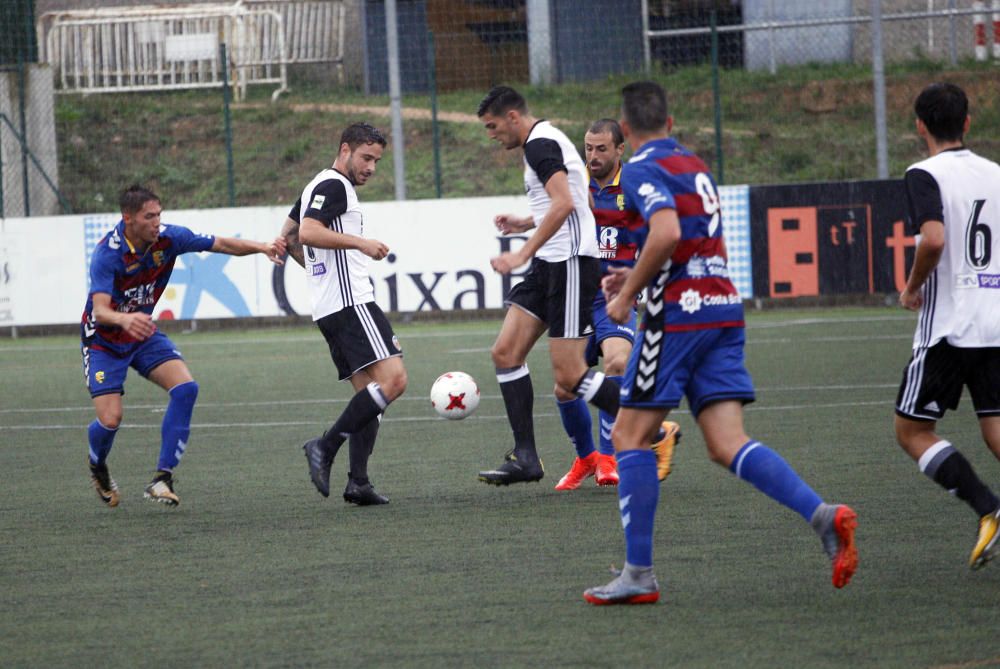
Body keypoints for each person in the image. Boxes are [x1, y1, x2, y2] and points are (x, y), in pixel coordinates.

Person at [583, 81, 858, 605]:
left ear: (626, 130)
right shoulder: (695, 165)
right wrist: (634, 274)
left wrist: (629, 295)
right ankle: (821, 515)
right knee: (726, 442)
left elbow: (664, 232)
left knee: (629, 436)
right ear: (669, 122)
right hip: (722, 307)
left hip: (678, 317)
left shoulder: (639, 167)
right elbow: (692, 240)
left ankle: (638, 574)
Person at [82, 184, 286, 507]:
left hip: (142, 334)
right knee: (110, 420)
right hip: (104, 342)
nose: (156, 222)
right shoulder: (108, 253)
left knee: (186, 389)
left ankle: (162, 478)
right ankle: (97, 464)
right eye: (149, 216)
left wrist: (261, 247)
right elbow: (100, 310)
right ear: (128, 218)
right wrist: (125, 319)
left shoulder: (169, 239)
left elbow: (220, 244)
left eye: (159, 215)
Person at [477, 86, 633, 486]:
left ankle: (649, 424)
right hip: (551, 264)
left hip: (569, 264)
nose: (491, 135)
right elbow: (571, 199)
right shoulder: (546, 141)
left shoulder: (539, 145)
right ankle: (526, 456)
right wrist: (525, 221)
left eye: (493, 126)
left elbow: (564, 203)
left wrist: (521, 252)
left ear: (513, 117)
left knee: (569, 376)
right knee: (505, 353)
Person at [895, 82, 1000, 570]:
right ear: (968, 122)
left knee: (913, 431)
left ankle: (988, 507)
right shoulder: (995, 173)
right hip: (995, 320)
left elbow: (932, 240)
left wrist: (912, 286)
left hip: (950, 327)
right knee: (995, 426)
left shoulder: (923, 173)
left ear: (920, 126)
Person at [551, 118, 681, 491]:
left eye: (601, 149)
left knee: (618, 360)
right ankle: (586, 458)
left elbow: (663, 235)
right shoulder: (574, 184)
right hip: (577, 295)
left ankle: (610, 457)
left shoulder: (638, 188)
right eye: (588, 148)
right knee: (564, 386)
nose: (592, 156)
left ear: (620, 149)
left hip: (615, 297)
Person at [292, 122, 408, 506]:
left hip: (329, 307)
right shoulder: (334, 186)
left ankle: (358, 481)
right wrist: (360, 243)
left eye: (377, 160)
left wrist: (317, 275)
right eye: (366, 157)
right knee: (394, 381)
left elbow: (288, 237)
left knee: (368, 397)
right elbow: (307, 233)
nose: (372, 166)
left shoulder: (314, 185)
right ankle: (324, 447)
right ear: (345, 150)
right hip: (351, 302)